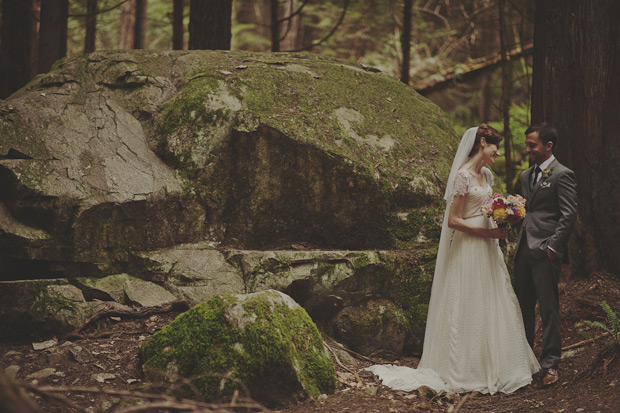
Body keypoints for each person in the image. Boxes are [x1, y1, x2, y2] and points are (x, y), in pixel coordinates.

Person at [366, 124, 540, 394]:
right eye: (496, 147)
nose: (498, 153)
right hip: (470, 246)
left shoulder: (487, 175)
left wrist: (504, 213)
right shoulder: (462, 176)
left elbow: (487, 207)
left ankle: (496, 364)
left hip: (488, 248)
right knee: (467, 301)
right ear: (482, 143)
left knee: (493, 299)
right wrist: (487, 231)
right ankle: (465, 369)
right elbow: (454, 220)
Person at [514, 123, 578, 386]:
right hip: (522, 251)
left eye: (532, 145)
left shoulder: (563, 174)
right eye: (527, 144)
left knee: (549, 308)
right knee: (522, 308)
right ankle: (525, 361)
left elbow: (569, 214)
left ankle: (550, 364)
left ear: (548, 146)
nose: (528, 149)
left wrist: (554, 247)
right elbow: (519, 208)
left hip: (545, 252)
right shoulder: (524, 176)